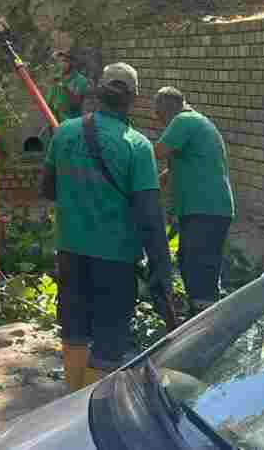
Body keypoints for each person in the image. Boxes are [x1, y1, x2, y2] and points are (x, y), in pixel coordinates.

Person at [41, 63, 173, 391]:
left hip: (70, 251)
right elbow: (149, 215)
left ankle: (71, 397)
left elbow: (47, 189)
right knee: (109, 334)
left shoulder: (65, 132)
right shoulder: (137, 145)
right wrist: (161, 266)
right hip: (115, 257)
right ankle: (90, 408)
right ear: (134, 98)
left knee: (74, 327)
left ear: (98, 91)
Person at [152, 86, 236, 318]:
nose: (159, 122)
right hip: (207, 209)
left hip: (206, 209)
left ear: (165, 110)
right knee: (191, 262)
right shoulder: (196, 124)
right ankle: (204, 317)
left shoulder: (184, 121)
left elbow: (154, 153)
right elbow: (175, 167)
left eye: (158, 116)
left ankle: (205, 323)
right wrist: (154, 185)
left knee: (198, 267)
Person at [46, 50, 89, 125]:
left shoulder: (80, 80)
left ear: (72, 62)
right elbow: (50, 100)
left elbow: (76, 103)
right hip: (54, 121)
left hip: (71, 123)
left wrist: (64, 87)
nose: (62, 64)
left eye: (65, 61)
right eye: (59, 61)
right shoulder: (56, 78)